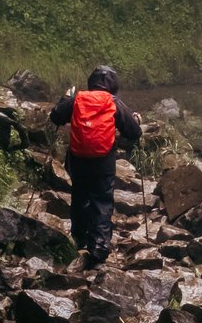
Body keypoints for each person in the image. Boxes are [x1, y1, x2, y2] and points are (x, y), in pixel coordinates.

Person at [49, 65, 141, 266]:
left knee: (80, 195)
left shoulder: (78, 99)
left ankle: (79, 239)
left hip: (78, 159)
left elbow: (55, 117)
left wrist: (65, 99)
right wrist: (136, 120)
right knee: (102, 201)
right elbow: (134, 133)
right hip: (103, 162)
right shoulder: (114, 102)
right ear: (113, 86)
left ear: (91, 83)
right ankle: (98, 247)